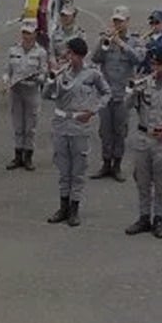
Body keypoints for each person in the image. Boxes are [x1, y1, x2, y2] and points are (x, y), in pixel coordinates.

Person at [44, 38, 112, 227]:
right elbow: (46, 95)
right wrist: (51, 78)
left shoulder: (92, 74)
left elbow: (106, 92)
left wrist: (93, 110)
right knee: (63, 170)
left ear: (79, 55)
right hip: (61, 124)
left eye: (71, 54)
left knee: (78, 170)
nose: (68, 57)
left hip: (79, 125)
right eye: (67, 53)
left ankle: (74, 209)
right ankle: (63, 207)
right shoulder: (61, 72)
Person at [90, 6, 147, 182]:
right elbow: (95, 58)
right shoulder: (106, 39)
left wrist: (122, 45)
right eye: (115, 21)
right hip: (106, 93)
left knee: (120, 130)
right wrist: (103, 43)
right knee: (105, 130)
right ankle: (106, 162)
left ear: (128, 21)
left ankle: (117, 164)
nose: (117, 24)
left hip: (124, 93)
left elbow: (139, 58)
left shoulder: (135, 41)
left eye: (121, 21)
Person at [124, 51, 162, 239]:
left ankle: (159, 219)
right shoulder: (144, 85)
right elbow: (126, 106)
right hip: (143, 137)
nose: (155, 69)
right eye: (153, 65)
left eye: (159, 65)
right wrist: (133, 91)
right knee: (142, 181)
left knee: (161, 183)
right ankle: (144, 217)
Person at [4, 19, 49, 171]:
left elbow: (44, 73)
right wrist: (6, 81)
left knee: (30, 126)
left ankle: (28, 156)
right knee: (18, 124)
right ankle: (17, 155)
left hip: (32, 91)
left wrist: (37, 78)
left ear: (35, 34)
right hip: (16, 91)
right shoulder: (13, 50)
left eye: (29, 33)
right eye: (24, 32)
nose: (26, 36)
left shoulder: (41, 52)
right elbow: (7, 71)